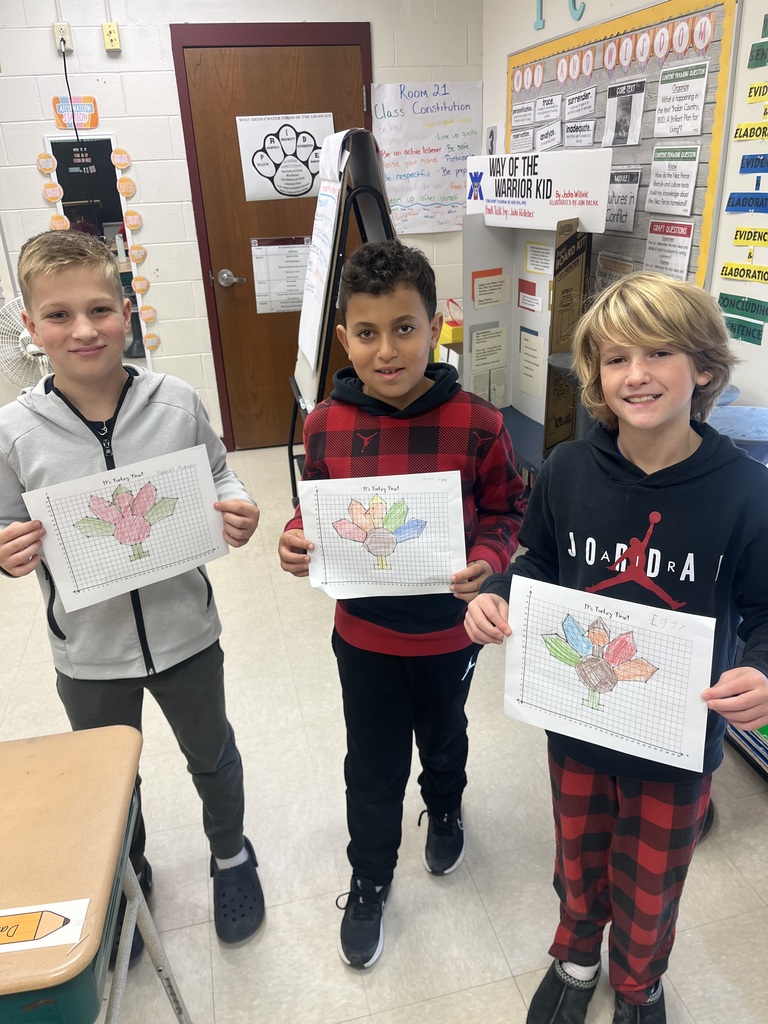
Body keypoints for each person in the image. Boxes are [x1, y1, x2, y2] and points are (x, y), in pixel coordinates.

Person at [464, 271, 768, 1024]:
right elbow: (537, 560)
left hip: (676, 739)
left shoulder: (745, 492)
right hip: (578, 721)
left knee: (654, 877)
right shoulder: (567, 470)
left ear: (703, 368)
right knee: (579, 858)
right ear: (597, 375)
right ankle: (574, 955)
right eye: (615, 358)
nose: (635, 375)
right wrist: (503, 590)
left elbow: (765, 613)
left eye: (659, 353)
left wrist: (763, 670)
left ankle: (639, 983)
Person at [0, 230, 266, 961]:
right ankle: (131, 870)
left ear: (127, 310)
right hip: (87, 651)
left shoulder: (175, 401)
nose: (83, 330)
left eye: (99, 310)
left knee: (211, 754)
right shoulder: (14, 433)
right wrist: (7, 551)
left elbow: (218, 473)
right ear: (30, 327)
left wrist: (236, 503)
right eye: (58, 315)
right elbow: (4, 521)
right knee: (112, 777)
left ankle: (231, 854)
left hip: (186, 631)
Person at [278, 239, 526, 969]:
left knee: (445, 736)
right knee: (373, 762)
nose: (387, 350)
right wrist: (297, 537)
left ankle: (445, 804)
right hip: (364, 636)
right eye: (366, 332)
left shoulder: (478, 422)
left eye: (405, 328)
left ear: (435, 327)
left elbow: (509, 509)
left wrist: (488, 559)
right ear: (344, 338)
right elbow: (313, 508)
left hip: (450, 635)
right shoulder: (324, 423)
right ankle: (369, 876)